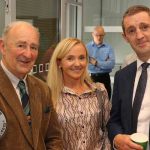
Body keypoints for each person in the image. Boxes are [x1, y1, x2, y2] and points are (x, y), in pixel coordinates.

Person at [0, 21, 62, 149]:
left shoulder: (43, 89)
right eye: (21, 45)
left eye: (33, 47)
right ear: (2, 46)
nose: (28, 54)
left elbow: (54, 137)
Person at [47, 37, 111, 150]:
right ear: (59, 62)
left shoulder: (99, 91)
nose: (77, 64)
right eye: (70, 58)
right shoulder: (48, 95)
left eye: (81, 58)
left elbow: (106, 130)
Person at [107, 5, 150, 150]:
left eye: (144, 27)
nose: (139, 36)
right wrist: (117, 138)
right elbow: (114, 121)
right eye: (132, 31)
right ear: (125, 37)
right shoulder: (121, 77)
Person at [86, 26, 115, 99]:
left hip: (105, 78)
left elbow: (111, 64)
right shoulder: (86, 47)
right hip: (91, 77)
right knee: (91, 102)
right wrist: (104, 64)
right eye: (96, 35)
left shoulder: (109, 48)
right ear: (92, 34)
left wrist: (96, 63)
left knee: (106, 102)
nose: (99, 37)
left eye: (101, 35)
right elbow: (86, 65)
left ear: (104, 34)